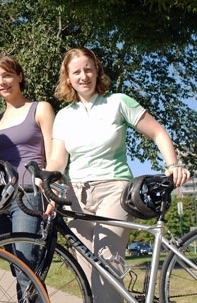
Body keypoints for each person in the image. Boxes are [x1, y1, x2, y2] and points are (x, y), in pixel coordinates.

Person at [45, 46, 191, 302]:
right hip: (76, 195)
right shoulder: (64, 116)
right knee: (90, 273)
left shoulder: (118, 102)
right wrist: (46, 177)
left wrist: (173, 164)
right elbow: (58, 159)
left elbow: (158, 132)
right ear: (68, 78)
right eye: (76, 72)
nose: (84, 76)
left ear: (97, 71)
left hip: (114, 189)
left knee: (108, 265)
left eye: (88, 69)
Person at [0, 55, 55, 296]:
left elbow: (53, 152)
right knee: (16, 267)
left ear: (20, 76)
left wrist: (50, 190)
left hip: (29, 195)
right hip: (3, 199)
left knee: (27, 265)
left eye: (6, 75)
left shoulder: (40, 108)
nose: (2, 82)